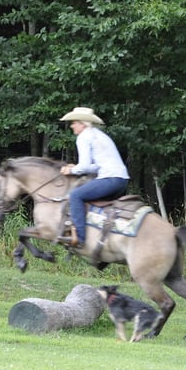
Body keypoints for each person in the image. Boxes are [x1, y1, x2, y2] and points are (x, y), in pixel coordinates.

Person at [58, 107, 130, 259]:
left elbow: (84, 166)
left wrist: (70, 170)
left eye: (74, 123)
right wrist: (76, 168)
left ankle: (80, 240)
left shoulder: (83, 137)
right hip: (121, 179)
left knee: (76, 195)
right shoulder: (99, 135)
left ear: (82, 124)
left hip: (109, 178)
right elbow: (96, 166)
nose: (72, 126)